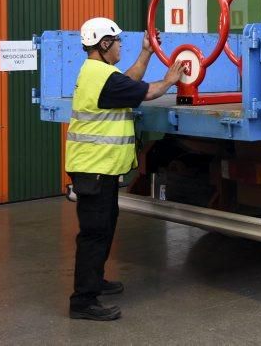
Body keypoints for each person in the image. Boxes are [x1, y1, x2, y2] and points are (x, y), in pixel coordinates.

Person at [66, 17, 185, 321]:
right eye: (117, 41)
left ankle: (95, 281)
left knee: (104, 228)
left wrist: (146, 52)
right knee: (94, 234)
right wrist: (172, 78)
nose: (120, 45)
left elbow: (129, 80)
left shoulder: (100, 73)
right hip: (94, 170)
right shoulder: (102, 77)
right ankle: (82, 301)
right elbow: (147, 92)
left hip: (98, 170)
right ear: (104, 44)